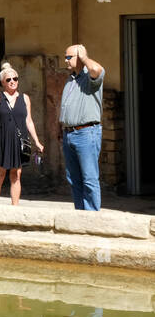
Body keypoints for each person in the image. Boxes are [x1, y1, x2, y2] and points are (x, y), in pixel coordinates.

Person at [0, 62, 45, 205]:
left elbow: (29, 121)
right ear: (3, 82)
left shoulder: (25, 98)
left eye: (15, 79)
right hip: (2, 140)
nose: (12, 82)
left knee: (16, 174)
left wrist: (36, 141)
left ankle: (15, 209)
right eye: (8, 80)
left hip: (19, 140)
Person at [60, 44, 105, 211]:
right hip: (69, 134)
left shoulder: (89, 77)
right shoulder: (71, 78)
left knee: (89, 178)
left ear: (79, 57)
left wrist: (85, 58)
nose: (65, 60)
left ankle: (91, 216)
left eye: (69, 57)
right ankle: (81, 214)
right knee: (73, 178)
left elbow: (97, 69)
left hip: (86, 132)